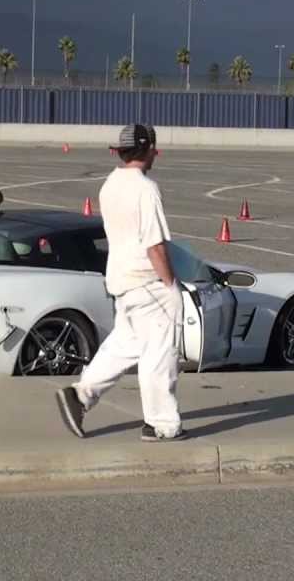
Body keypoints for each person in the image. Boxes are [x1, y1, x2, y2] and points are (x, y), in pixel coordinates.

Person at [56, 124, 187, 442]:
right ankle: (161, 423)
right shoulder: (145, 188)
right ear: (148, 150)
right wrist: (171, 285)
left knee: (124, 346)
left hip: (121, 281)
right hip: (148, 282)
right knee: (160, 353)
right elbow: (154, 245)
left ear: (120, 150)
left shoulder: (110, 184)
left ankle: (81, 395)